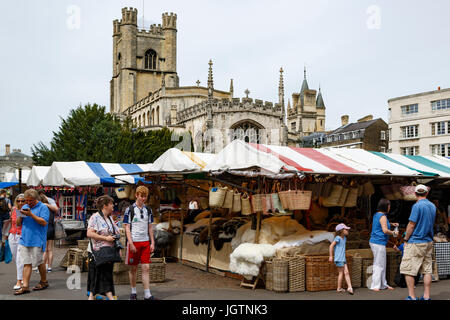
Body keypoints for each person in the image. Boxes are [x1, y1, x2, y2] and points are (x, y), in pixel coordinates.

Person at [400, 184, 436, 300]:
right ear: (427, 193)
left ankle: (412, 296)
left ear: (415, 194)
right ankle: (426, 296)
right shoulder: (432, 206)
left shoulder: (416, 206)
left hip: (416, 241)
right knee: (427, 270)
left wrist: (405, 239)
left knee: (409, 269)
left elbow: (411, 224)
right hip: (428, 241)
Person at [14, 189, 50, 295]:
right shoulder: (24, 206)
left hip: (37, 240)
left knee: (39, 262)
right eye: (27, 200)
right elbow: (18, 224)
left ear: (36, 199)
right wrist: (20, 215)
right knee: (26, 263)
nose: (28, 203)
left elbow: (44, 222)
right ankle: (25, 286)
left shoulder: (43, 207)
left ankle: (44, 281)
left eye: (31, 201)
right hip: (24, 239)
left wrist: (31, 215)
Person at [123, 185, 156, 300]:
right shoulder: (129, 210)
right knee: (133, 268)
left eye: (145, 196)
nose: (143, 198)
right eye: (141, 196)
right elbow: (127, 227)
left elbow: (150, 226)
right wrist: (130, 243)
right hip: (134, 242)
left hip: (145, 242)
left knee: (146, 267)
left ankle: (147, 294)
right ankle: (133, 291)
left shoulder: (148, 210)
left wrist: (152, 242)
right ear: (136, 195)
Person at [87, 195, 119, 300]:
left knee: (105, 273)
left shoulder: (109, 218)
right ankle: (108, 296)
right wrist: (105, 238)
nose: (113, 206)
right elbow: (89, 233)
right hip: (97, 251)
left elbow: (115, 231)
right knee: (99, 273)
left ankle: (93, 295)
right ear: (105, 206)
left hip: (108, 251)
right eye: (111, 204)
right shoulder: (95, 217)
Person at [369, 198, 399, 292]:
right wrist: (394, 233)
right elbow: (385, 230)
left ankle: (382, 284)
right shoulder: (383, 216)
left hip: (376, 241)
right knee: (379, 264)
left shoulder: (377, 214)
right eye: (389, 205)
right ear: (386, 206)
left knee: (381, 263)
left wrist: (390, 223)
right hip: (378, 242)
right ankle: (376, 285)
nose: (390, 207)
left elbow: (381, 224)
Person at [329, 223, 354, 295]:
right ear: (341, 231)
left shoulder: (344, 238)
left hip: (343, 258)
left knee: (345, 272)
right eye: (346, 229)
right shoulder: (338, 238)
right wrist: (331, 256)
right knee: (342, 273)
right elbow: (331, 246)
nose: (348, 230)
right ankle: (346, 287)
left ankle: (343, 287)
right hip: (339, 258)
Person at [8, 194, 25, 290]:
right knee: (16, 259)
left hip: (22, 236)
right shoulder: (14, 209)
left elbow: (19, 222)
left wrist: (21, 212)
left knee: (19, 259)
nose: (20, 203)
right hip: (12, 235)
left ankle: (19, 280)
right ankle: (22, 276)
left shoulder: (26, 210)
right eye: (18, 201)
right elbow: (12, 222)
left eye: (23, 201)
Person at [38, 192, 59, 273]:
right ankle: (49, 267)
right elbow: (56, 211)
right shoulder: (50, 208)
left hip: (44, 229)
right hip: (51, 228)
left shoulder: (41, 208)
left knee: (44, 249)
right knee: (50, 249)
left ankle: (43, 266)